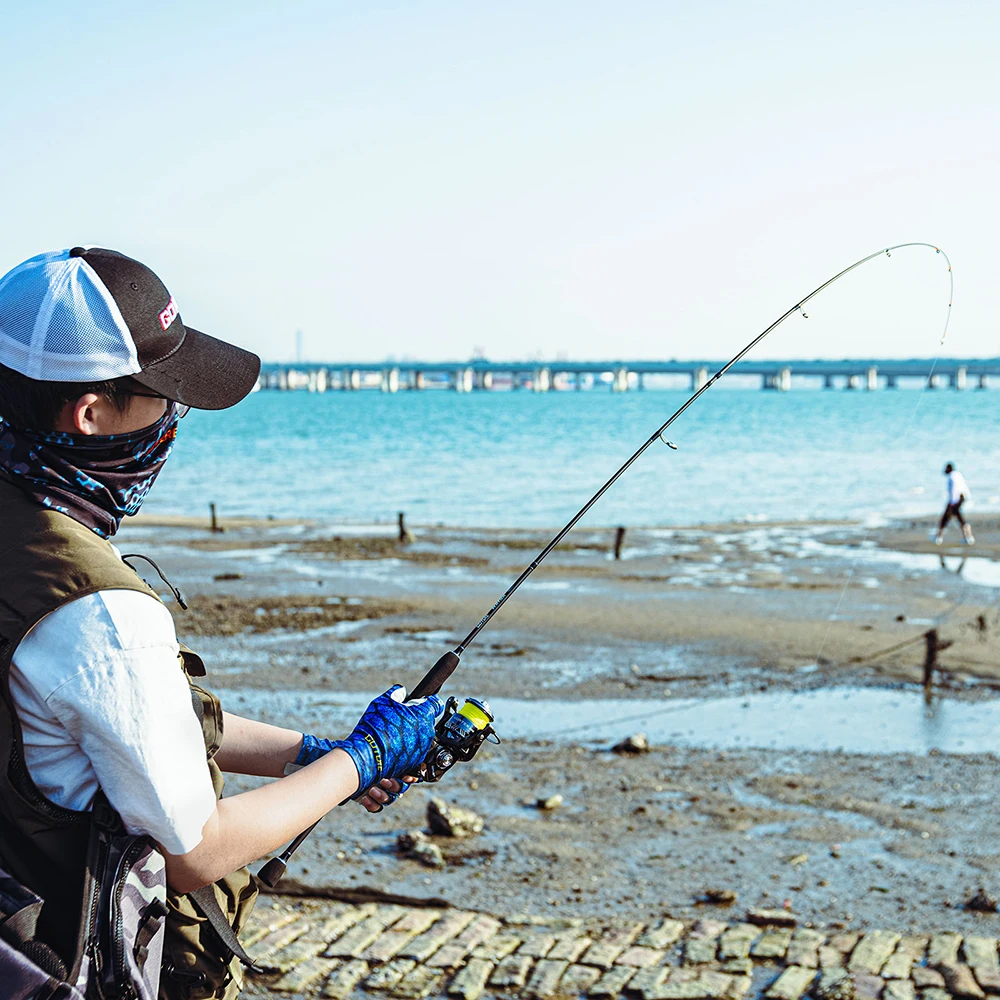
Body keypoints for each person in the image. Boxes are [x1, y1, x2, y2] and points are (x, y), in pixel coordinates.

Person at [0, 247, 444, 998]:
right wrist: (359, 764)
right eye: (163, 397)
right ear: (91, 414)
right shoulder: (99, 612)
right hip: (69, 963)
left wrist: (308, 755)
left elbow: (111, 717)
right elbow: (194, 851)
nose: (174, 418)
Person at [935, 462, 974, 545]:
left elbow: (954, 489)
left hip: (955, 499)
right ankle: (968, 537)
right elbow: (964, 487)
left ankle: (939, 537)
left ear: (948, 468)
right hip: (961, 498)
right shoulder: (958, 475)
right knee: (959, 517)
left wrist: (952, 502)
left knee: (947, 517)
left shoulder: (952, 477)